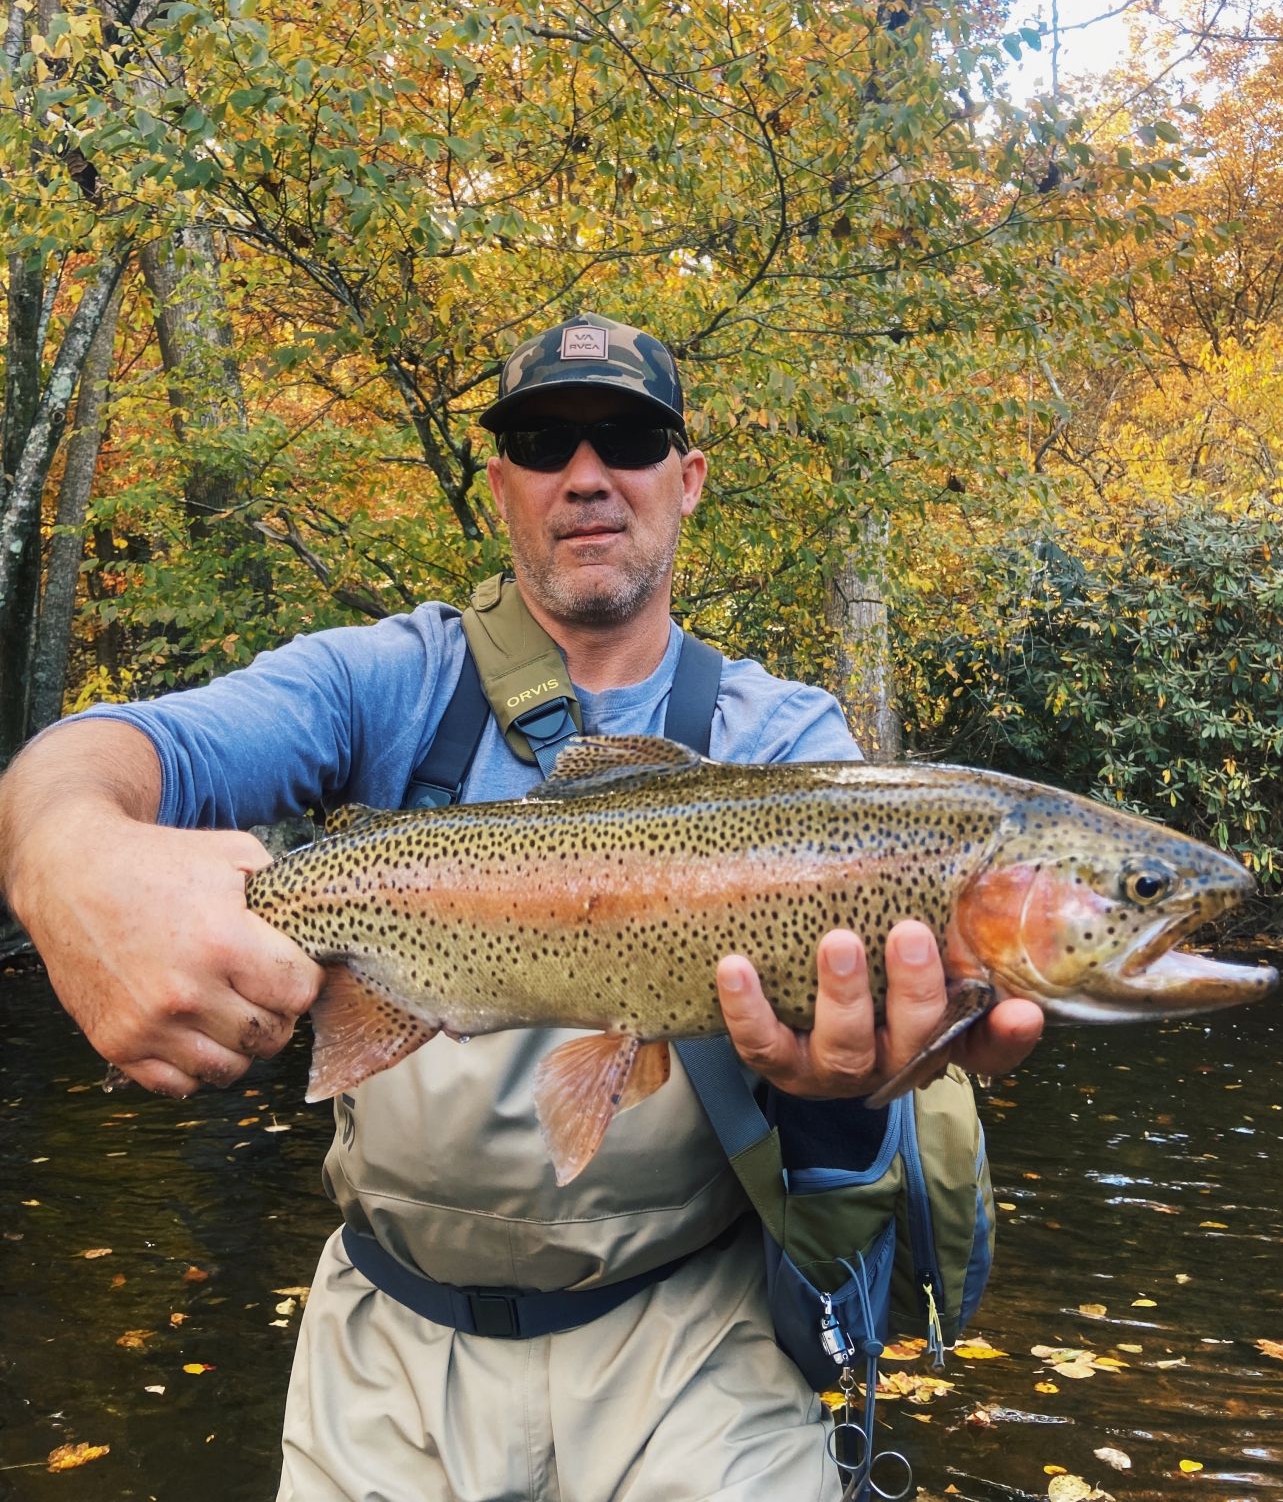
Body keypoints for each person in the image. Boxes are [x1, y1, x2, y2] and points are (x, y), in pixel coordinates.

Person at [0, 313, 1044, 1502]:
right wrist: (62, 855)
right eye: (543, 441)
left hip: (691, 1339)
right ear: (500, 485)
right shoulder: (383, 680)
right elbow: (97, 754)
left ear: (686, 479)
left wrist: (843, 1099)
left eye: (629, 436)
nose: (586, 473)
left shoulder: (784, 741)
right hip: (389, 1352)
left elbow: (843, 1129)